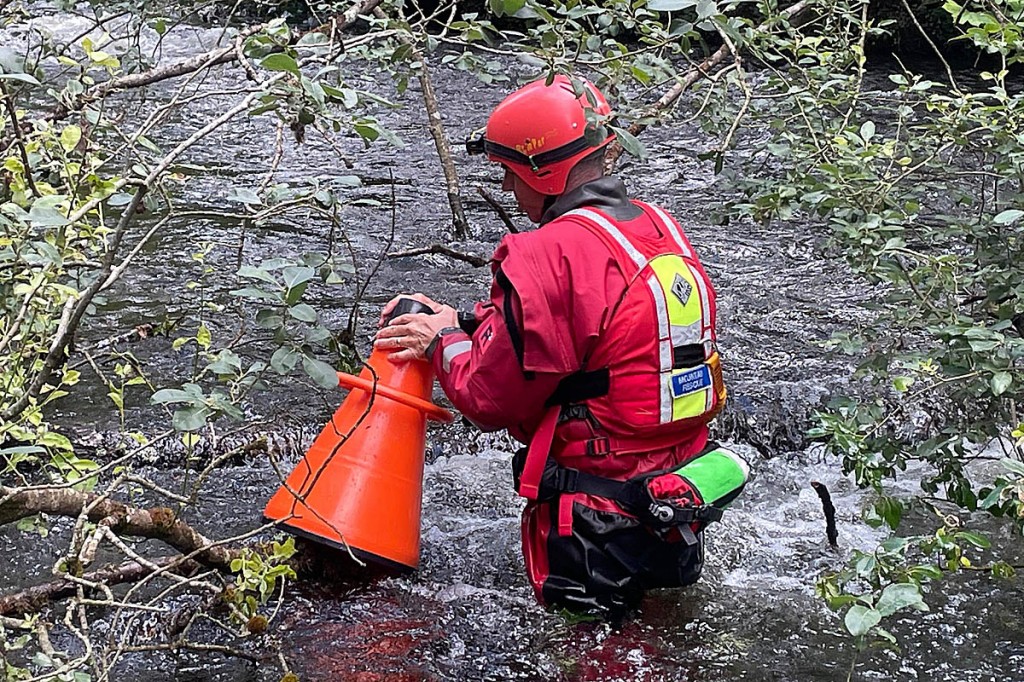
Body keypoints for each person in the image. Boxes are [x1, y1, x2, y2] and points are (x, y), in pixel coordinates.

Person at [373, 74, 729, 617]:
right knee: (658, 635)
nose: (512, 193)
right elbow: (608, 336)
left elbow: (488, 399)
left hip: (597, 511)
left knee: (587, 654)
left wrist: (439, 338)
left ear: (541, 172)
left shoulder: (545, 254)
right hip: (678, 494)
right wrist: (469, 322)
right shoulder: (656, 228)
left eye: (511, 176)